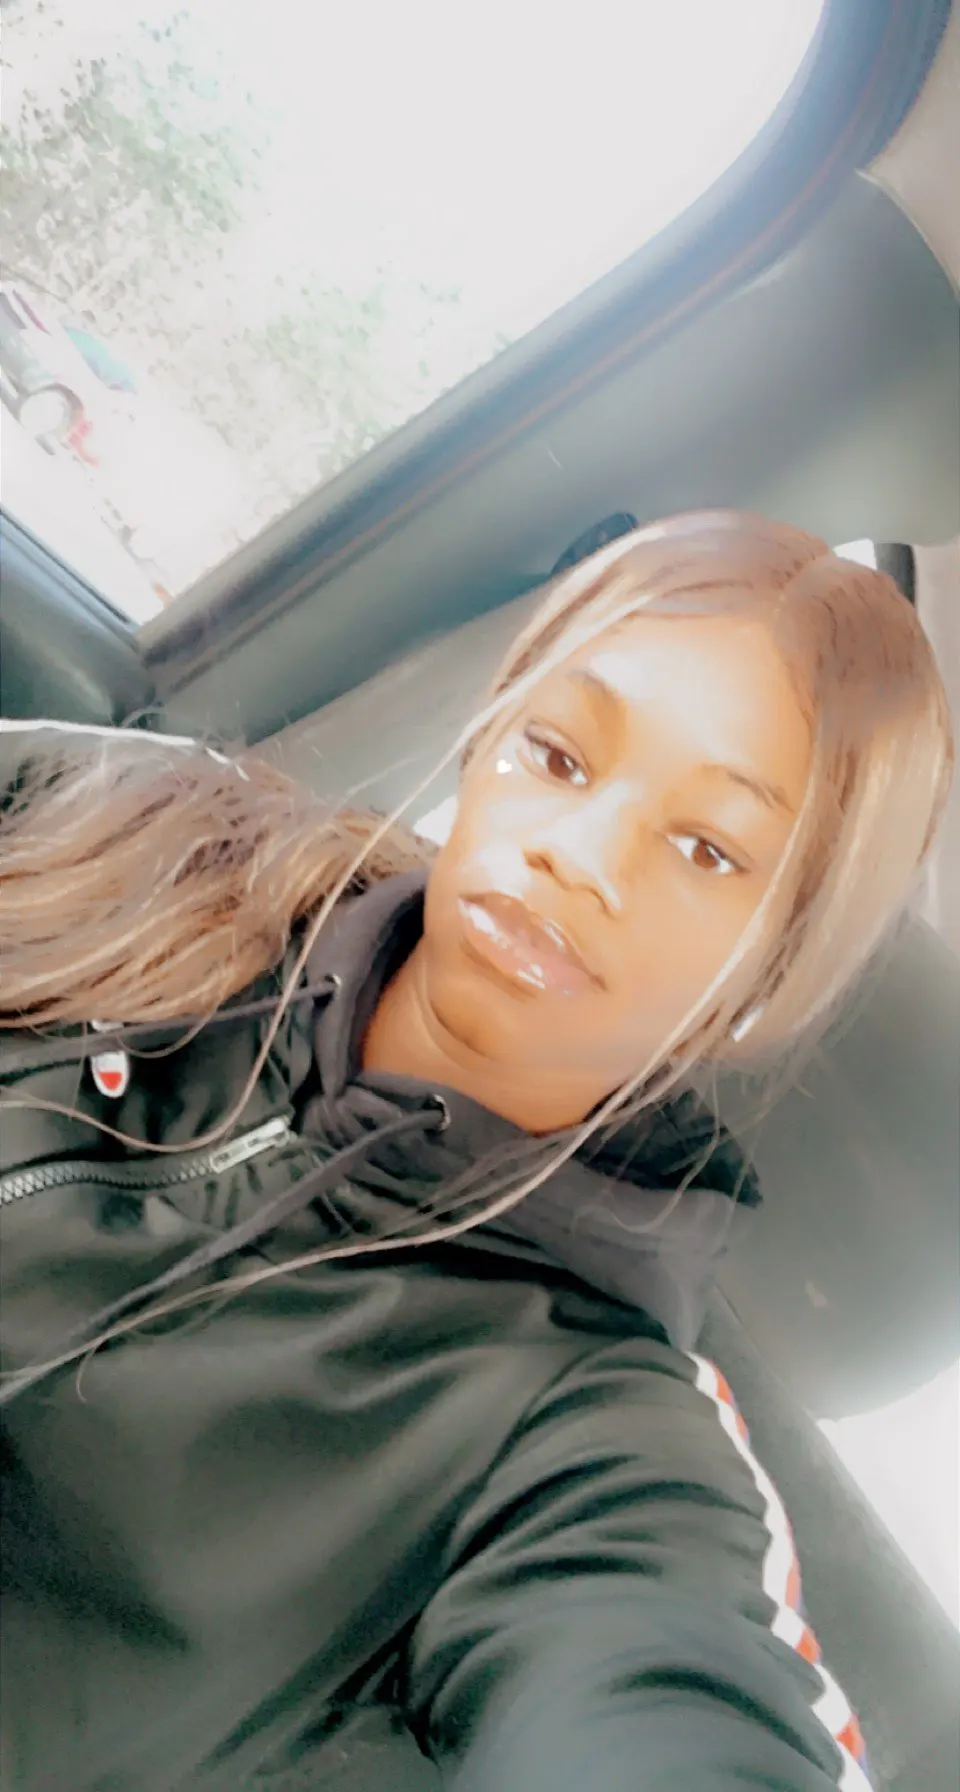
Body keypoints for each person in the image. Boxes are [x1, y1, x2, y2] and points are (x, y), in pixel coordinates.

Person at [0, 511, 952, 1792]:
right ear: (489, 735)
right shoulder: (147, 827)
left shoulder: (589, 1440)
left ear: (768, 977)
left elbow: (659, 1702)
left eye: (707, 848)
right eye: (558, 754)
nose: (580, 854)